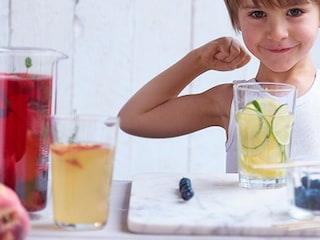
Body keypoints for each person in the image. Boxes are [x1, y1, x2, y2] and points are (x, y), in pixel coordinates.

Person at [118, 0, 320, 172]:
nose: (277, 33)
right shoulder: (231, 102)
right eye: (258, 14)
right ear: (237, 20)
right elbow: (133, 118)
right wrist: (198, 60)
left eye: (295, 12)